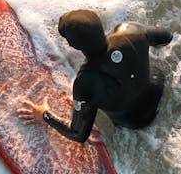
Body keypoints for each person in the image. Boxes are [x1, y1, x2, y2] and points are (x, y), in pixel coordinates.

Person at [18, 9, 172, 143]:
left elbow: (78, 134)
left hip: (136, 123)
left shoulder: (85, 82)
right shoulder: (131, 30)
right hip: (160, 87)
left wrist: (45, 115)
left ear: (73, 46)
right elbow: (166, 37)